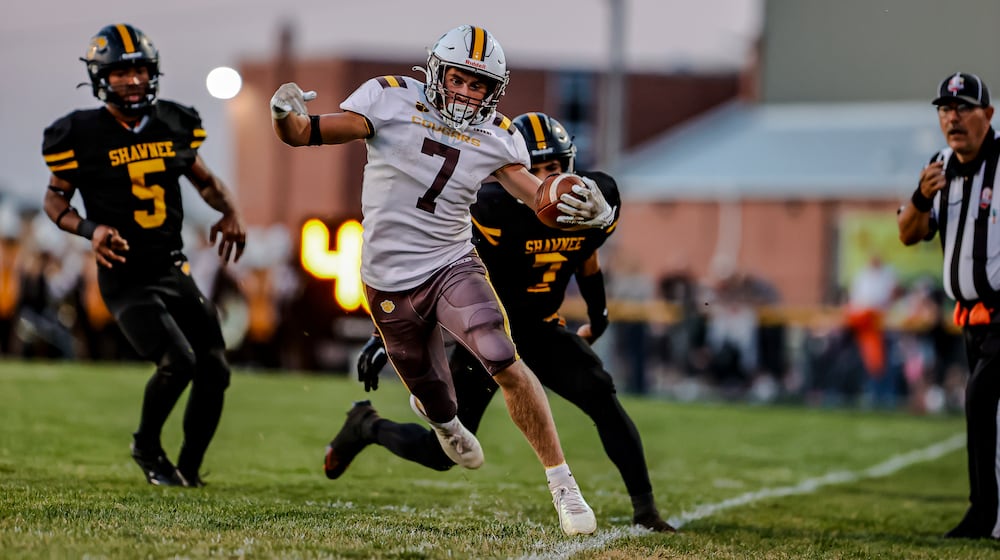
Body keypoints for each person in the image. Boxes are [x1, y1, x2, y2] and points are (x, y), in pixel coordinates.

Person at [270, 25, 614, 536]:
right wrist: (283, 114)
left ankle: (563, 485)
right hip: (387, 279)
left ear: (493, 91)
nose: (466, 93)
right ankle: (445, 423)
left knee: (501, 355)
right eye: (459, 79)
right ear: (437, 72)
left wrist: (590, 212)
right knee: (435, 397)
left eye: (479, 85)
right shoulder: (389, 99)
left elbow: (537, 197)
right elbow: (304, 133)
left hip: (452, 262)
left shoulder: (496, 133)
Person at [324, 112, 675, 532]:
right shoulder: (487, 208)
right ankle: (366, 425)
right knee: (443, 454)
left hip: (543, 328)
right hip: (485, 333)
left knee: (603, 399)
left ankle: (646, 511)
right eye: (535, 169)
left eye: (555, 167)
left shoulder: (590, 198)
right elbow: (430, 268)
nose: (547, 180)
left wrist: (598, 313)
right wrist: (385, 332)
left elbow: (588, 256)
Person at [41, 23, 247, 487]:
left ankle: (189, 469)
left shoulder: (174, 122)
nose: (133, 80)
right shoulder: (79, 133)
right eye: (121, 72)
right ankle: (146, 446)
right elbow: (55, 200)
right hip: (124, 273)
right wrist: (90, 230)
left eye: (140, 70)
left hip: (171, 265)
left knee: (215, 366)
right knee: (178, 362)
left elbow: (206, 182)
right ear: (101, 77)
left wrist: (231, 210)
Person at [897, 71, 999, 539]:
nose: (953, 118)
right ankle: (990, 516)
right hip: (970, 320)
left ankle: (984, 513)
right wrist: (921, 197)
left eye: (963, 108)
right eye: (945, 109)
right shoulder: (938, 165)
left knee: (981, 399)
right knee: (987, 411)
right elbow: (908, 233)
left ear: (988, 114)